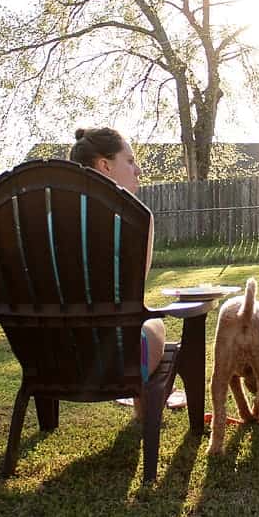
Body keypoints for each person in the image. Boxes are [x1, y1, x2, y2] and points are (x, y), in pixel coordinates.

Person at [69, 127, 167, 414]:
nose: (138, 170)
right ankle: (142, 408)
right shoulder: (136, 219)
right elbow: (134, 293)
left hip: (53, 359)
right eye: (130, 161)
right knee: (155, 323)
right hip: (118, 365)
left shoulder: (47, 220)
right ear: (105, 165)